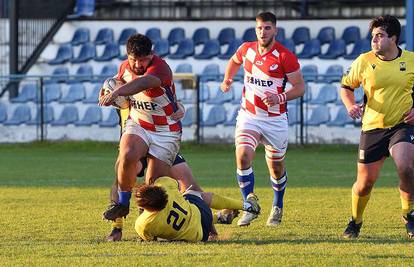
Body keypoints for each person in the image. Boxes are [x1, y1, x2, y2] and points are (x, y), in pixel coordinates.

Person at [220, 12, 305, 226]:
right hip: (249, 116)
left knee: (276, 168)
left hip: (275, 120)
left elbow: (300, 87)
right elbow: (233, 61)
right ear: (255, 29)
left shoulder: (285, 56)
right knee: (242, 156)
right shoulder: (246, 49)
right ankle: (249, 205)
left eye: (267, 28)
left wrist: (279, 97)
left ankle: (277, 206)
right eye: (259, 28)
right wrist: (227, 79)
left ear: (275, 30)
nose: (263, 32)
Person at [340, 15, 414, 239]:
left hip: (402, 125)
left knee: (406, 167)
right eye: (373, 36)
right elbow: (346, 86)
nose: (374, 40)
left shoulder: (411, 60)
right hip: (373, 127)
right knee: (364, 184)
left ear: (393, 38)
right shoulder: (364, 61)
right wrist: (351, 105)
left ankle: (409, 214)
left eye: (380, 35)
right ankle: (355, 220)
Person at [99, 33, 182, 221]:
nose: (137, 65)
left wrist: (117, 93)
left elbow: (142, 83)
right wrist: (106, 90)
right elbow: (115, 82)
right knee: (126, 156)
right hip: (139, 124)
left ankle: (149, 226)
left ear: (151, 55)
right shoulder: (124, 67)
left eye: (142, 60)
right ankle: (121, 204)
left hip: (165, 131)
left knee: (151, 187)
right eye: (133, 60)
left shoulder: (160, 68)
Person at [134, 176, 260, 242]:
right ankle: (247, 206)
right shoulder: (164, 185)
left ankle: (220, 219)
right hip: (203, 215)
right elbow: (177, 183)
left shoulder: (142, 224)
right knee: (193, 193)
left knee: (186, 204)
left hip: (199, 237)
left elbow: (151, 239)